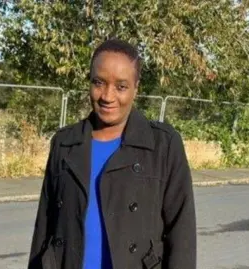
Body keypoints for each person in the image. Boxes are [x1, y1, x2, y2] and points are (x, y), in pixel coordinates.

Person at [28, 38, 196, 269]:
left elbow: (181, 232)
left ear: (136, 88)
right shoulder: (65, 143)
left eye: (121, 86)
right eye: (99, 82)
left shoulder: (162, 145)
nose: (107, 96)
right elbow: (44, 225)